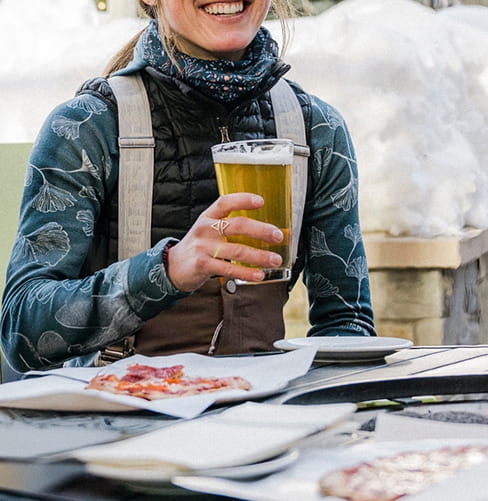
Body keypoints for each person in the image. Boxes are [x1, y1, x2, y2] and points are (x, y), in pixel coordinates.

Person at [0, 0, 376, 373]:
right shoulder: (88, 125)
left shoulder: (317, 129)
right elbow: (22, 332)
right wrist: (168, 270)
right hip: (126, 422)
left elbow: (348, 325)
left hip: (266, 422)